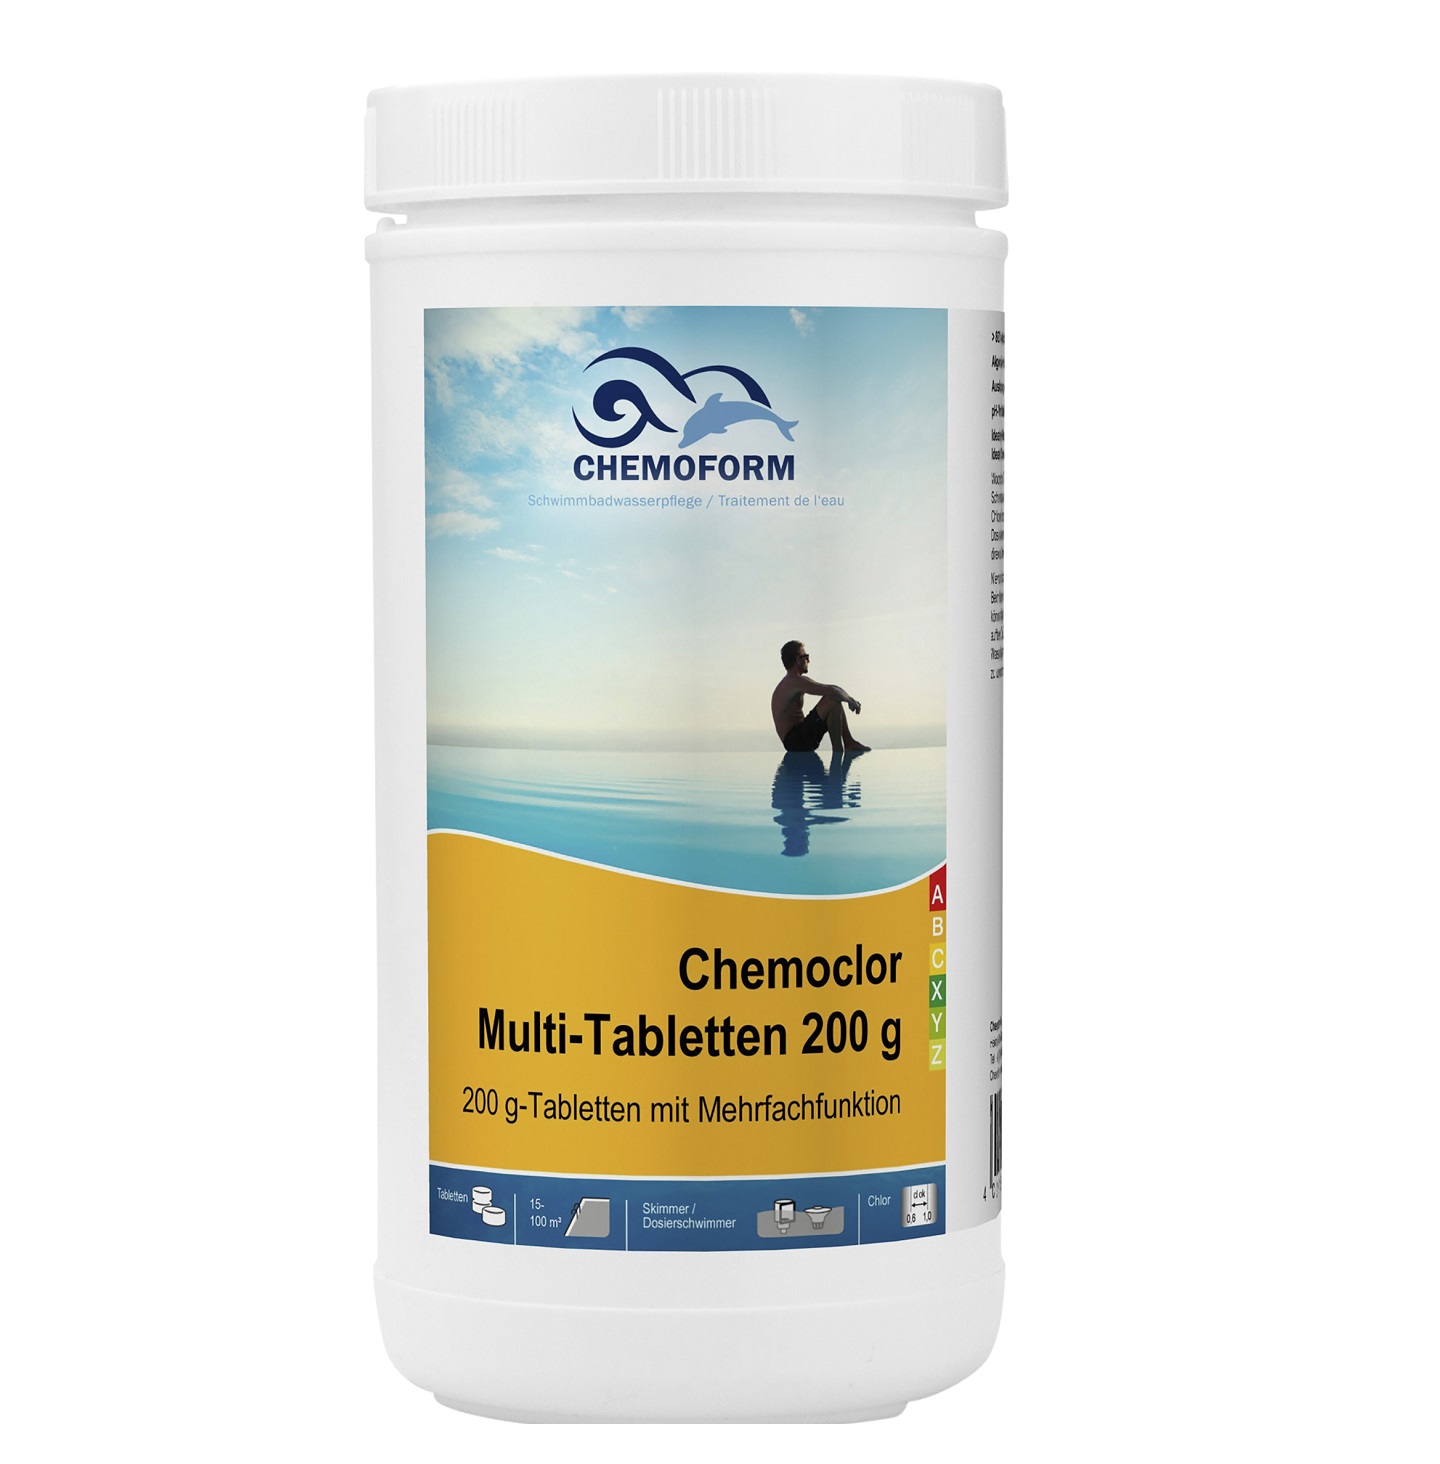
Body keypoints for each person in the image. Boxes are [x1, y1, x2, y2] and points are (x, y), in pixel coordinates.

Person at [770, 640, 870, 754]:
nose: (808, 661)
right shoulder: (793, 682)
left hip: (798, 738)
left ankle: (843, 747)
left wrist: (848, 699)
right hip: (795, 741)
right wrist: (851, 701)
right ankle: (847, 743)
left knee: (835, 705)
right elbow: (831, 691)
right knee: (832, 699)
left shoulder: (791, 682)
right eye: (806, 657)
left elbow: (833, 689)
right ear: (798, 659)